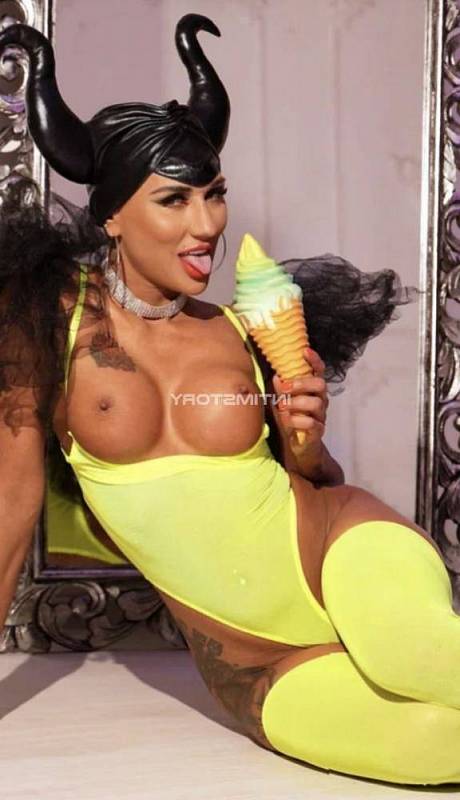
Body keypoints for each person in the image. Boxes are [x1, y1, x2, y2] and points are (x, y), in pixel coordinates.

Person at [0, 13, 459, 787]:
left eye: (214, 195)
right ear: (112, 215)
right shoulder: (47, 320)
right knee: (434, 748)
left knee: (420, 655)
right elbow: (10, 505)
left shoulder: (239, 330)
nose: (207, 224)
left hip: (337, 549)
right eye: (174, 201)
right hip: (258, 657)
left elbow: (314, 477)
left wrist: (304, 437)